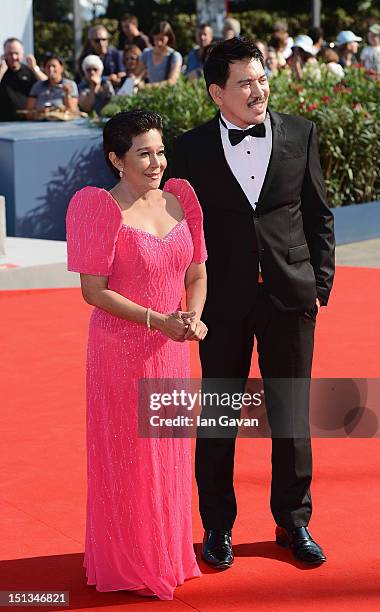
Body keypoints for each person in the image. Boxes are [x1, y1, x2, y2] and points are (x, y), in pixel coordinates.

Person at [170, 37, 335, 570]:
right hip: (221, 307)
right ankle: (217, 526)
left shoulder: (300, 134)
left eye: (262, 78)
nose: (257, 89)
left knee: (290, 418)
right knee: (219, 417)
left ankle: (294, 522)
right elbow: (179, 230)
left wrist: (319, 287)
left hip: (290, 298)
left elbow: (318, 213)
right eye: (244, 82)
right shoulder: (189, 149)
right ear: (218, 93)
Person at [66, 109, 207, 600]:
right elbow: (93, 291)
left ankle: (166, 552)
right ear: (116, 159)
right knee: (130, 458)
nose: (156, 162)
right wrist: (158, 320)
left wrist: (191, 316)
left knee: (168, 454)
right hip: (120, 354)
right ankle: (128, 559)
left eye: (160, 151)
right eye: (144, 154)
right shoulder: (98, 209)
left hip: (171, 351)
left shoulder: (180, 200)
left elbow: (195, 272)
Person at [0, 38, 47, 121]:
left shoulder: (30, 70)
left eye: (16, 53)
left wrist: (34, 68)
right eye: (10, 54)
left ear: (22, 54)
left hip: (26, 122)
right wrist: (2, 70)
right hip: (3, 122)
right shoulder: (1, 71)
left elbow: (49, 84)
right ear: (4, 55)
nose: (14, 57)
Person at [26, 53, 78, 119]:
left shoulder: (70, 85)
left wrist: (67, 94)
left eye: (54, 66)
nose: (51, 69)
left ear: (61, 68)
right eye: (48, 67)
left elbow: (72, 111)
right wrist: (40, 112)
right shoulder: (37, 86)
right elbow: (28, 112)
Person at [137, 21, 182, 88]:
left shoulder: (175, 56)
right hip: (149, 95)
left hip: (166, 94)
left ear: (169, 38)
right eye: (156, 39)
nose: (159, 43)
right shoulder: (146, 53)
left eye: (162, 40)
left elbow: (172, 81)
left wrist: (148, 87)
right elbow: (137, 74)